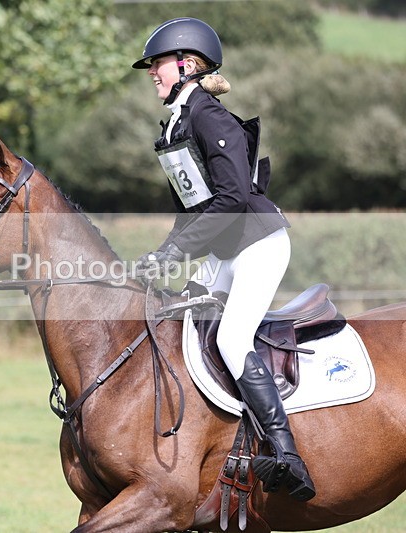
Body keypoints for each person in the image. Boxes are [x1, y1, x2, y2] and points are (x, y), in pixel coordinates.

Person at [132, 17, 315, 501]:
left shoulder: (209, 117)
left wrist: (176, 252)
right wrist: (161, 257)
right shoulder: (176, 123)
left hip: (256, 242)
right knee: (184, 324)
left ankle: (285, 453)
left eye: (158, 64)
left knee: (232, 338)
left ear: (186, 65)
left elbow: (232, 199)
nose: (152, 72)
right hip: (223, 249)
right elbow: (192, 210)